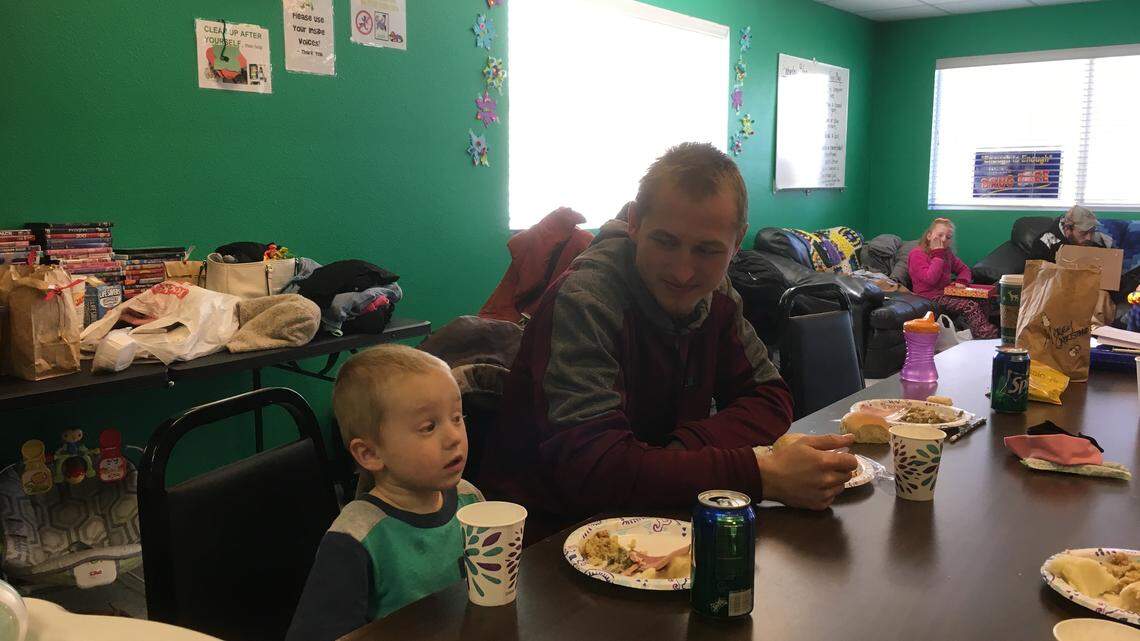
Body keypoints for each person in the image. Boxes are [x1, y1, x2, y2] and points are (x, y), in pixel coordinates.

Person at [479, 142, 857, 542]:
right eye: (665, 241)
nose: (683, 271)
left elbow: (770, 398)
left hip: (655, 518)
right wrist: (757, 474)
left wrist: (677, 453)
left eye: (708, 250)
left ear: (736, 241)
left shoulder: (718, 297)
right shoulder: (586, 301)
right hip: (544, 539)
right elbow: (593, 472)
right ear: (635, 221)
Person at [286, 345, 483, 641]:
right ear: (370, 453)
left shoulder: (470, 499)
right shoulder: (356, 539)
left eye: (457, 417)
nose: (454, 436)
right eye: (429, 426)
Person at [908, 217, 999, 339]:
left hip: (946, 293)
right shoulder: (917, 254)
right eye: (940, 235)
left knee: (985, 299)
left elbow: (964, 269)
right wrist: (938, 255)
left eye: (948, 237)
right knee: (970, 305)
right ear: (929, 236)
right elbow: (930, 279)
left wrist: (962, 280)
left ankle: (979, 332)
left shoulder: (947, 253)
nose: (944, 239)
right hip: (929, 295)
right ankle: (987, 336)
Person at [1027, 205, 1104, 262]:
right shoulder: (1045, 242)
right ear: (1067, 229)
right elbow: (1034, 275)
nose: (1089, 238)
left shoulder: (1096, 240)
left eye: (1092, 231)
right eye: (1083, 233)